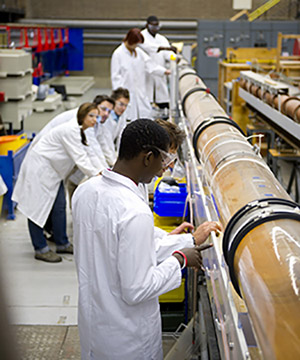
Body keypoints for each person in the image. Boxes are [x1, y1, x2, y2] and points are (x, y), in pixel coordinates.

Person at [72, 119, 221, 359]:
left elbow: (116, 247)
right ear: (147, 157)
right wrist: (180, 260)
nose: (164, 169)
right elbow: (137, 289)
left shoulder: (86, 191)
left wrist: (186, 241)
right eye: (163, 161)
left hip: (95, 327)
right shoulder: (134, 211)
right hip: (127, 338)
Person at [12, 103, 102, 263]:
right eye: (92, 116)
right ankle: (40, 248)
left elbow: (91, 153)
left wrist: (104, 171)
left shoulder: (83, 131)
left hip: (53, 172)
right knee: (36, 209)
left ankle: (62, 243)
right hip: (40, 169)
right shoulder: (71, 130)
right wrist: (97, 174)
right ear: (82, 116)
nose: (95, 119)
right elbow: (80, 158)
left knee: (59, 206)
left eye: (97, 116)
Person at [111, 28, 170, 121]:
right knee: (127, 120)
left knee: (145, 118)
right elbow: (115, 77)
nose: (136, 46)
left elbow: (150, 65)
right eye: (135, 43)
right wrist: (119, 97)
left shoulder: (139, 53)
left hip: (140, 93)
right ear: (130, 40)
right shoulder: (118, 54)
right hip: (127, 95)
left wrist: (164, 71)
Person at [140, 16, 177, 109]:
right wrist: (165, 48)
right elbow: (149, 47)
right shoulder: (141, 36)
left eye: (157, 27)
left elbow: (167, 54)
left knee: (163, 101)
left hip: (160, 73)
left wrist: (175, 58)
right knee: (147, 101)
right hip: (146, 74)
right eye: (153, 27)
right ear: (147, 25)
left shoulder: (162, 39)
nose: (155, 29)